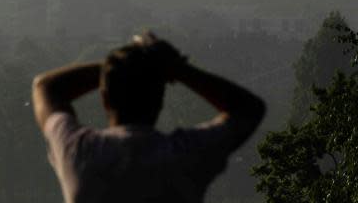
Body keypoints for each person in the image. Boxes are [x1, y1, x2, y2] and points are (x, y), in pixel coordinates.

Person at [31, 33, 266, 203]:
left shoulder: (80, 152)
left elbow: (46, 87)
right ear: (160, 99)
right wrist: (173, 68)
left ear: (105, 98)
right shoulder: (185, 155)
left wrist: (117, 67)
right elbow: (249, 109)